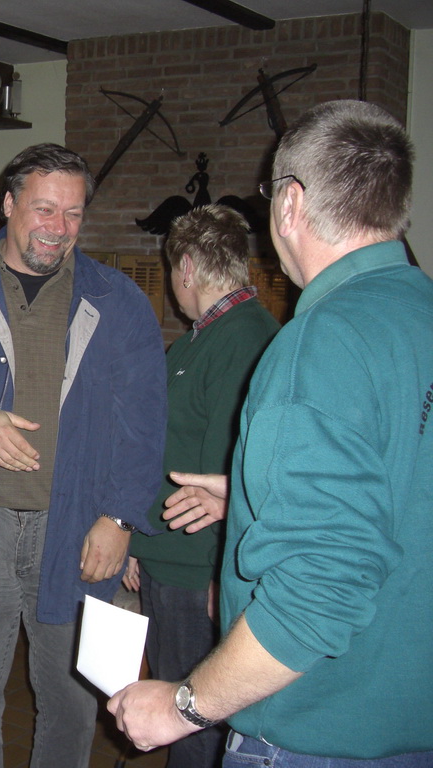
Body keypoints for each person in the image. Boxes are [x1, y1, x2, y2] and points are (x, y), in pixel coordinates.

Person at [108, 100, 433, 766]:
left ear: (290, 203)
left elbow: (319, 591)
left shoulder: (320, 341)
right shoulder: (418, 312)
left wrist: (182, 705)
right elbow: (403, 484)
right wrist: (250, 495)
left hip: (319, 728)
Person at [0, 143, 167, 768]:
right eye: (44, 208)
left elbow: (145, 423)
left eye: (73, 213)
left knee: (72, 705)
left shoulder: (119, 300)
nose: (58, 227)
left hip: (77, 529)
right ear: (8, 203)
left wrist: (121, 518)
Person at [123, 204, 279, 768]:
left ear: (186, 266)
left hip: (197, 577)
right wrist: (139, 539)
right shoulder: (197, 341)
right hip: (170, 562)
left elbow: (234, 482)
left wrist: (222, 577)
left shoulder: (247, 342)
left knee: (195, 728)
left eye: (172, 271)